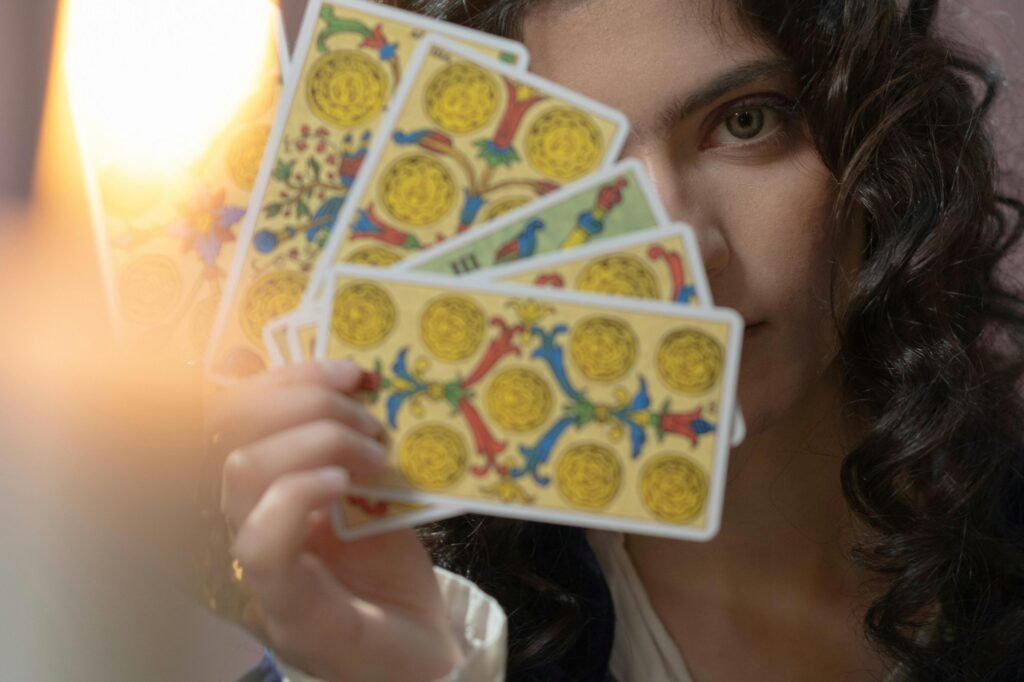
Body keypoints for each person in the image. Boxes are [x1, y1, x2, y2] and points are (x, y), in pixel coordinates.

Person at [215, 0, 1024, 679]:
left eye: (745, 123)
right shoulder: (408, 634)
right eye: (580, 178)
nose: (679, 248)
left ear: (874, 148)